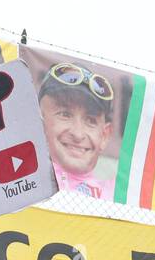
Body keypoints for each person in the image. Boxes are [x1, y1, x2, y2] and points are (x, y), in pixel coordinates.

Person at [38, 61, 116, 200]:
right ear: (39, 121)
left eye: (91, 120)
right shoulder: (17, 185)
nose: (78, 134)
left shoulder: (121, 199)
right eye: (65, 114)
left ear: (104, 135)